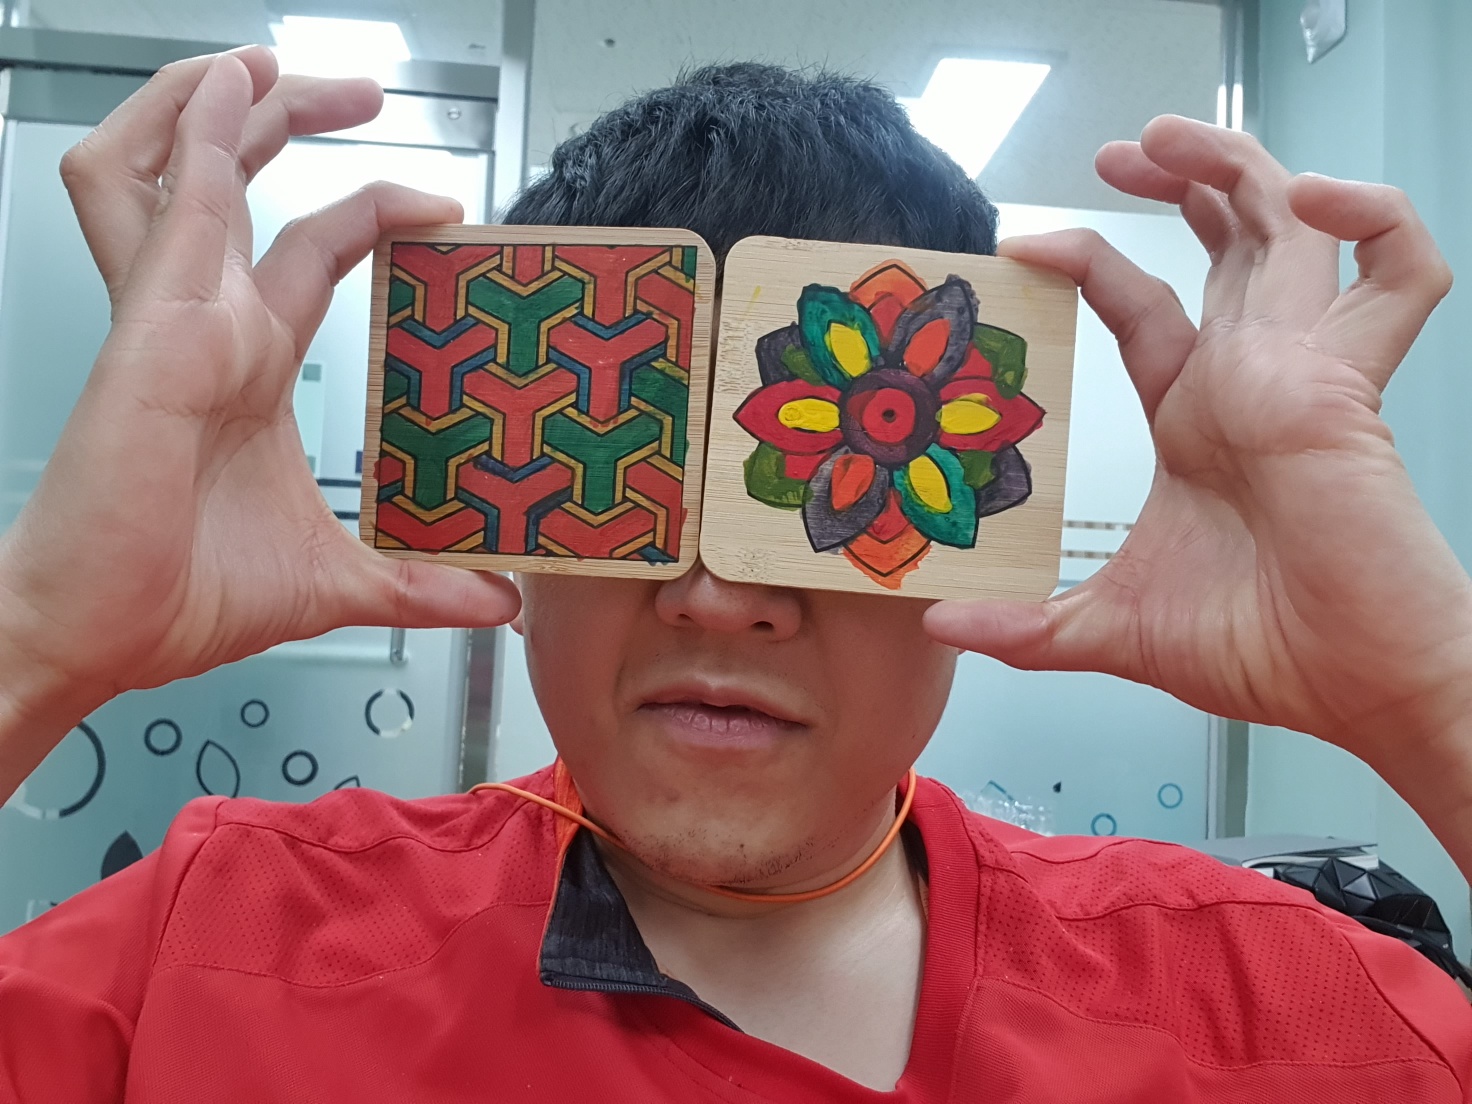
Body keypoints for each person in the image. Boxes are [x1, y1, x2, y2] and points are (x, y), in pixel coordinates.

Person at [1, 44, 1470, 1102]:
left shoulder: (1286, 1012)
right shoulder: (204, 949)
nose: (717, 597)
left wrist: (1434, 698)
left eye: (819, 499)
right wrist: (36, 641)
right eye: (630, 478)